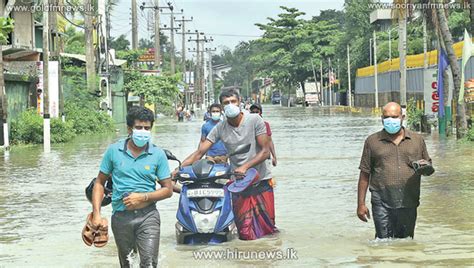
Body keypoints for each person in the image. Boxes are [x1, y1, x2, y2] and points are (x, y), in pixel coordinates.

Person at [174, 89, 277, 240]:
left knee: (267, 229)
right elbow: (199, 152)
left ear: (240, 102)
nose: (230, 105)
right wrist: (178, 169)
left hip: (260, 180)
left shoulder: (255, 120)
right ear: (222, 107)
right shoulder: (220, 128)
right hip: (238, 183)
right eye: (226, 103)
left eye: (233, 102)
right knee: (243, 230)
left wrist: (245, 166)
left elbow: (265, 152)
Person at [91, 106, 173, 267]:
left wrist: (143, 197)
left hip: (148, 216)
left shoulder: (158, 154)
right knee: (127, 263)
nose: (143, 131)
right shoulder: (114, 151)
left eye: (147, 128)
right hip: (121, 217)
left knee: (148, 263)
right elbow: (99, 183)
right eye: (139, 127)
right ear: (129, 129)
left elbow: (168, 190)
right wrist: (96, 214)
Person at [357, 102, 434, 239]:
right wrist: (361, 204)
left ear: (402, 117)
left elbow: (428, 168)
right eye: (387, 117)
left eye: (394, 116)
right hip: (381, 200)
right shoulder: (372, 141)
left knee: (406, 242)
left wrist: (425, 167)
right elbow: (364, 173)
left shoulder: (417, 140)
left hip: (409, 200)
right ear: (381, 118)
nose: (390, 120)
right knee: (383, 241)